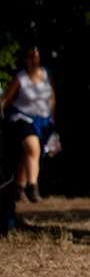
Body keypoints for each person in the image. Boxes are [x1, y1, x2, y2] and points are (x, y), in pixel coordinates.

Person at [2, 45, 56, 203]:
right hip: (22, 118)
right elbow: (6, 99)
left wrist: (52, 117)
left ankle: (19, 188)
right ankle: (33, 188)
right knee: (33, 149)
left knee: (30, 154)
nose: (34, 59)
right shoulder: (21, 78)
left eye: (36, 55)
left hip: (43, 120)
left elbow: (52, 97)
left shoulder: (46, 74)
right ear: (25, 59)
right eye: (31, 56)